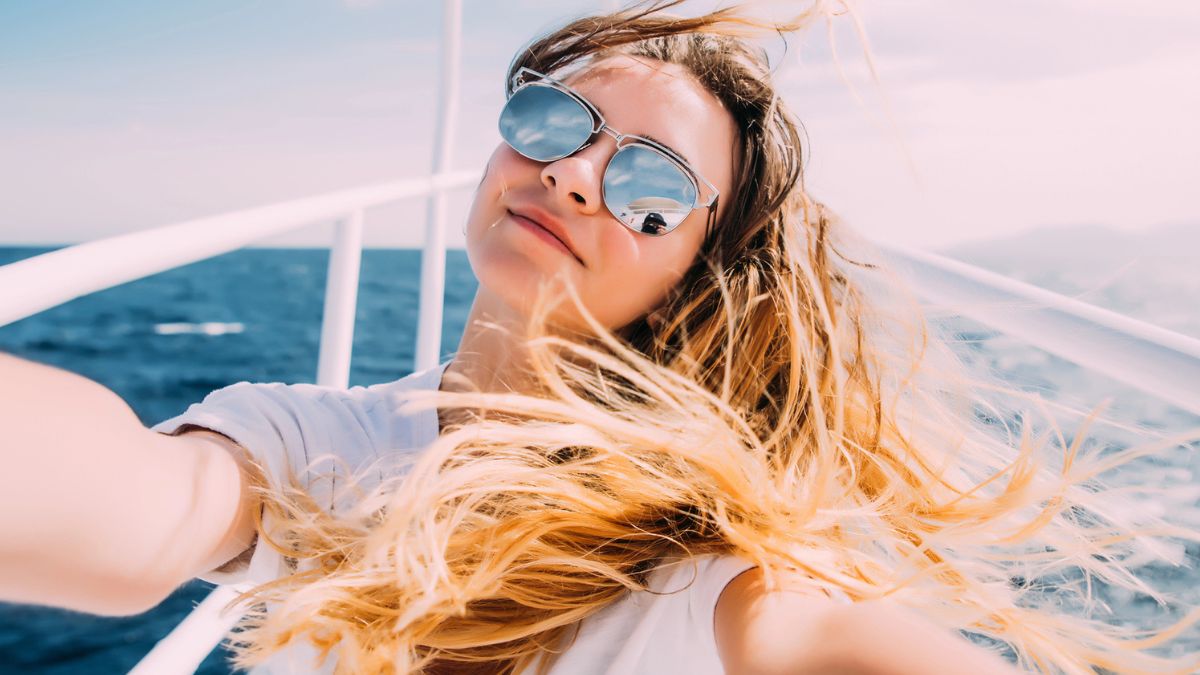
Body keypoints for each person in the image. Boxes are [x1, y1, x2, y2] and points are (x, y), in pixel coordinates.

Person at [3, 3, 1198, 674]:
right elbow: (141, 508)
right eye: (550, 120)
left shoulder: (715, 564)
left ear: (696, 268)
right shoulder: (312, 443)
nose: (573, 174)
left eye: (649, 186)